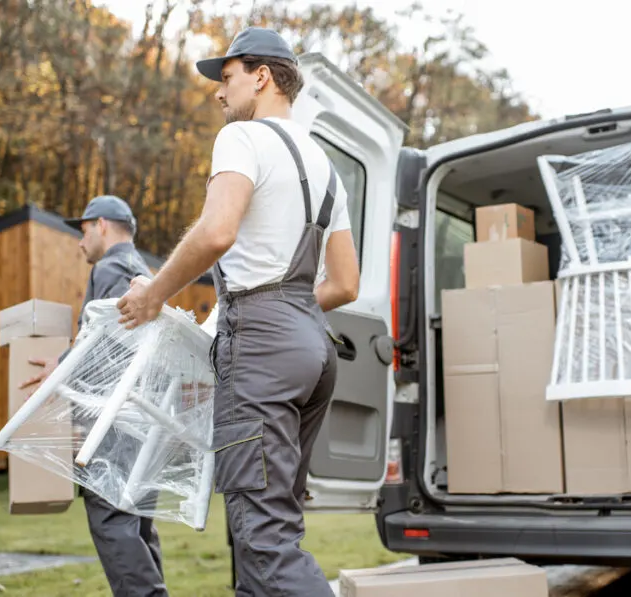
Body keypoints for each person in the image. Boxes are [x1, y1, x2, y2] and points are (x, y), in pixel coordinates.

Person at [115, 27, 361, 597]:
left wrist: (155, 291)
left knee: (264, 540)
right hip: (312, 347)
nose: (219, 93)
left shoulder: (242, 139)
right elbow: (345, 284)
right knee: (266, 531)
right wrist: (284, 308)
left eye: (226, 78)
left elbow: (218, 231)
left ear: (263, 76)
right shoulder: (325, 164)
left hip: (263, 349)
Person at [19, 195, 170, 597]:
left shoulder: (112, 267)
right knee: (136, 523)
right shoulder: (141, 270)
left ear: (102, 225)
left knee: (110, 519)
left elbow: (110, 338)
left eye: (82, 230)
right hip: (142, 420)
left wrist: (64, 366)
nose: (78, 241)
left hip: (115, 420)